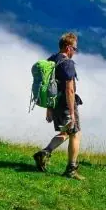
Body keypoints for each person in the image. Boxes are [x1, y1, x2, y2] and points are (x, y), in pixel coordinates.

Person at [32, 32, 84, 180]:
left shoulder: (52, 60)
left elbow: (48, 85)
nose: (75, 52)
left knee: (67, 132)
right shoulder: (67, 63)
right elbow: (70, 89)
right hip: (66, 104)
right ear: (68, 47)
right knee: (75, 133)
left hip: (55, 103)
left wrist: (49, 107)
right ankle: (71, 169)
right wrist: (72, 113)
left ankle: (45, 152)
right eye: (75, 49)